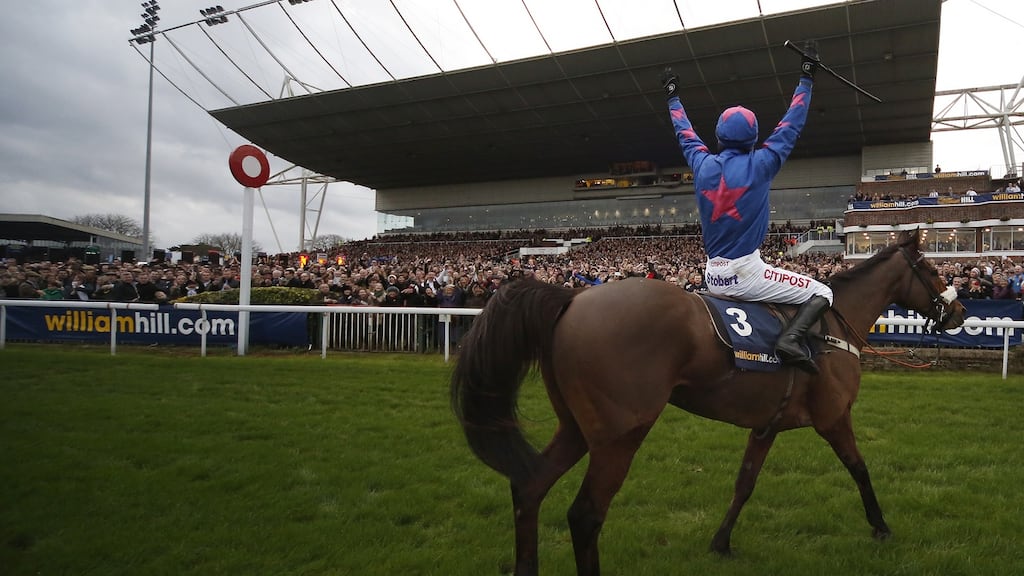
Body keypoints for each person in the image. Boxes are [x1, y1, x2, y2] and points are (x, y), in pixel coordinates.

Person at [662, 40, 833, 373]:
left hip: (712, 275)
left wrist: (672, 96)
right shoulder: (764, 162)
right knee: (824, 292)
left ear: (719, 136)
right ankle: (788, 342)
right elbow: (791, 124)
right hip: (747, 274)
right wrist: (807, 77)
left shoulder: (701, 163)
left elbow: (684, 131)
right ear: (753, 138)